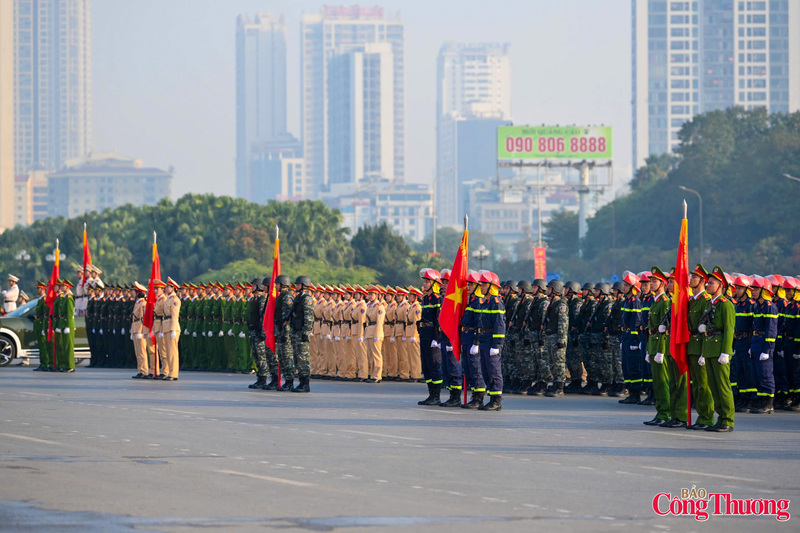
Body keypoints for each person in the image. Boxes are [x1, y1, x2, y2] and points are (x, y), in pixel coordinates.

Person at [698, 267, 736, 432]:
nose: (707, 285)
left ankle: (728, 420)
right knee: (713, 387)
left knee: (723, 387)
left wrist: (726, 352)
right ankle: (720, 419)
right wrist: (703, 351)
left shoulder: (725, 305)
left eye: (711, 283)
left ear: (720, 286)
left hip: (720, 350)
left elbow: (729, 330)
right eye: (707, 283)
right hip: (710, 350)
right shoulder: (710, 303)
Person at [686, 264, 715, 428]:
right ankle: (701, 417)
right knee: (696, 385)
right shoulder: (693, 301)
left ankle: (707, 418)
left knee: (704, 386)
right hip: (692, 346)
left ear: (702, 281)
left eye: (694, 277)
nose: (691, 280)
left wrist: (704, 352)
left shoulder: (705, 301)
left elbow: (707, 328)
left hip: (701, 347)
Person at [643, 267, 671, 426]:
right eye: (651, 281)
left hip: (660, 346)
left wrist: (661, 350)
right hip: (653, 344)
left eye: (654, 281)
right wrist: (649, 349)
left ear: (662, 284)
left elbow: (664, 329)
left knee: (663, 381)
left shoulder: (665, 302)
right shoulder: (656, 301)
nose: (651, 284)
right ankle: (660, 412)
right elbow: (651, 328)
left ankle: (665, 413)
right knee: (657, 382)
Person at [475, 271, 505, 411]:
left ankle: (496, 400)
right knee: (486, 371)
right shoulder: (485, 302)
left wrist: (496, 344)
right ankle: (491, 397)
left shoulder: (496, 303)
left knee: (494, 371)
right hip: (484, 339)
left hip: (492, 341)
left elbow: (499, 324)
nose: (481, 287)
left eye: (484, 285)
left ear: (491, 286)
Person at [750, 276, 778, 414]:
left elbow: (771, 330)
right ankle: (761, 401)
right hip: (756, 342)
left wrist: (767, 349)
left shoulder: (770, 307)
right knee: (757, 374)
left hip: (764, 344)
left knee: (766, 374)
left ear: (763, 291)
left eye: (756, 289)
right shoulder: (757, 306)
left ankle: (769, 403)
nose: (753, 291)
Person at [417, 269, 443, 405]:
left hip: (433, 336)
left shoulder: (437, 299)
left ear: (434, 284)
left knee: (434, 366)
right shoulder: (425, 298)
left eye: (427, 281)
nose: (425, 284)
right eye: (425, 281)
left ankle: (436, 396)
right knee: (426, 366)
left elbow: (439, 320)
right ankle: (430, 394)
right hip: (424, 334)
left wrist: (437, 338)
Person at [619, 272, 644, 404]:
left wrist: (634, 340)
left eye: (626, 285)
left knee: (633, 366)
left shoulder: (635, 302)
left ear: (633, 287)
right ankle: (630, 392)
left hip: (631, 337)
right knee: (626, 365)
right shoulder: (626, 301)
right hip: (625, 336)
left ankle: (636, 393)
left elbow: (636, 321)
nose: (624, 287)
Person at [542, 280, 569, 397]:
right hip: (550, 336)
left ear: (555, 290)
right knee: (552, 362)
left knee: (559, 362)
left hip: (557, 337)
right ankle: (555, 383)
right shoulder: (552, 303)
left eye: (549, 289)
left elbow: (563, 323)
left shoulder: (561, 305)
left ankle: (560, 386)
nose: (547, 291)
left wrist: (561, 340)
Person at [289, 276, 314, 392]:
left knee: (303, 358)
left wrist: (306, 332)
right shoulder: (298, 297)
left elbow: (309, 317)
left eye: (298, 284)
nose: (296, 286)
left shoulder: (306, 299)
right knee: (297, 358)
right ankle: (301, 382)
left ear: (304, 285)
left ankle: (305, 384)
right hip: (296, 331)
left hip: (302, 332)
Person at [274, 275, 296, 391]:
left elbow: (287, 317)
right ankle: (286, 380)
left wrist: (285, 333)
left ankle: (290, 381)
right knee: (282, 357)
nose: (275, 286)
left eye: (277, 284)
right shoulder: (281, 296)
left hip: (285, 332)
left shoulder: (287, 297)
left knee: (287, 357)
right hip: (280, 330)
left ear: (282, 284)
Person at [365, 285, 386, 383]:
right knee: (370, 355)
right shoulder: (369, 306)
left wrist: (377, 335)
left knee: (376, 355)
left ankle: (377, 375)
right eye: (369, 294)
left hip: (376, 332)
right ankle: (372, 374)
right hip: (369, 331)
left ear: (377, 295)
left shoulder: (379, 307)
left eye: (372, 294)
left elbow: (379, 321)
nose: (369, 296)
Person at [161, 277, 181, 381]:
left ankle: (174, 373)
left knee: (173, 352)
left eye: (168, 287)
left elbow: (174, 315)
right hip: (166, 327)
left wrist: (173, 329)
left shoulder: (175, 300)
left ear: (173, 288)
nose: (166, 288)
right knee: (168, 352)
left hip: (172, 327)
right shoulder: (168, 299)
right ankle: (170, 372)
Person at [55, 278, 76, 372]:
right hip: (63, 323)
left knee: (69, 347)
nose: (62, 287)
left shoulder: (69, 298)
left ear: (68, 287)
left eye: (63, 286)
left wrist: (67, 325)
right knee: (64, 346)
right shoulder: (64, 298)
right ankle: (66, 365)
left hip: (68, 324)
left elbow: (69, 313)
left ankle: (71, 366)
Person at [130, 282, 149, 378]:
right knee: (137, 352)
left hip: (139, 329)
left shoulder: (143, 303)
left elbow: (143, 318)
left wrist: (141, 331)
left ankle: (144, 370)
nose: (132, 293)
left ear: (138, 293)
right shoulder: (137, 302)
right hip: (135, 328)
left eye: (134, 291)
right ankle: (140, 370)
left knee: (142, 352)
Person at [34, 282, 50, 371]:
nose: (37, 290)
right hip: (38, 324)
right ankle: (42, 363)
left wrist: (44, 326)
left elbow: (45, 315)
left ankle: (45, 363)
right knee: (40, 345)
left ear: (43, 289)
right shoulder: (40, 300)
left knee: (43, 346)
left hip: (41, 324)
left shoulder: (44, 299)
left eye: (38, 288)